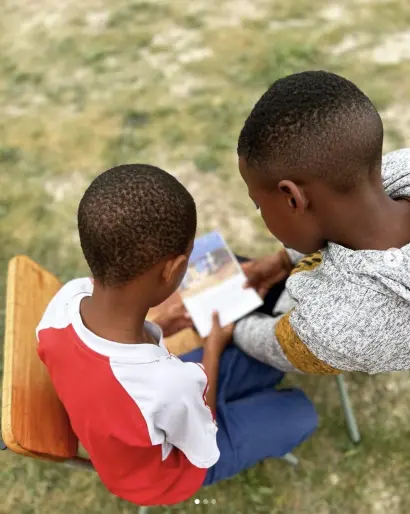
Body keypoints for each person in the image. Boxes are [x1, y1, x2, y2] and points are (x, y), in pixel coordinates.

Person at [36, 164, 317, 507]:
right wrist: (212, 350)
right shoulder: (168, 384)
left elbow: (125, 376)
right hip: (170, 473)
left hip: (132, 421)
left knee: (268, 364)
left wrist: (160, 325)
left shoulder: (65, 301)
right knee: (302, 412)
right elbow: (203, 446)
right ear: (171, 271)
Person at [234, 70, 410, 375]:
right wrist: (281, 260)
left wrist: (234, 326)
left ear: (292, 198)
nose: (259, 212)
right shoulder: (399, 168)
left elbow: (276, 345)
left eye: (258, 204)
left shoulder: (345, 326)